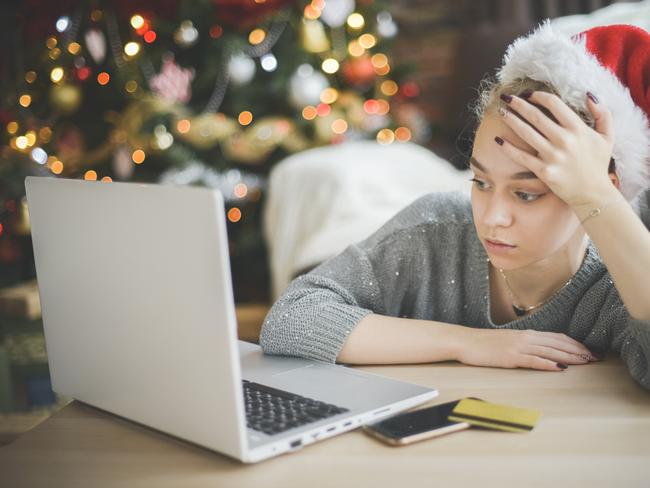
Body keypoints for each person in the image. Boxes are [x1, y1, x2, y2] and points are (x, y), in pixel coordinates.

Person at [259, 22, 650, 390]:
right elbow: (291, 319)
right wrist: (467, 343)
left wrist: (598, 197)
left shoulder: (616, 283)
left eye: (526, 194)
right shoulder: (436, 228)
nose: (492, 217)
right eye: (481, 182)